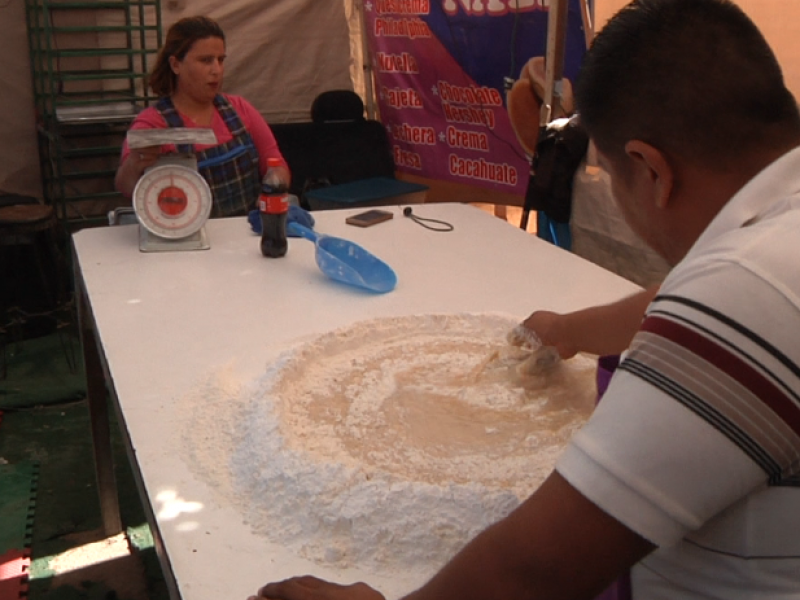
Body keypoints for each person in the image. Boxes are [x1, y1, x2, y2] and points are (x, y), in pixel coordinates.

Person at [250, 1, 800, 599]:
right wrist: (571, 329)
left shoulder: (746, 290)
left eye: (613, 181)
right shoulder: (776, 242)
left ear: (651, 170)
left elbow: (541, 567)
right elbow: (677, 301)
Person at [115, 16, 290, 218]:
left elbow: (275, 163)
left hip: (246, 234)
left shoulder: (240, 109)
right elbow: (126, 187)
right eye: (205, 60)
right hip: (186, 241)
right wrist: (135, 163)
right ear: (176, 65)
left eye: (221, 60)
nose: (216, 70)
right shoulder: (152, 123)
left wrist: (276, 183)